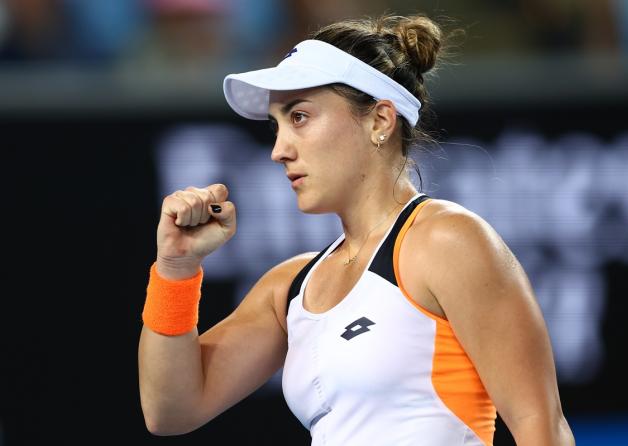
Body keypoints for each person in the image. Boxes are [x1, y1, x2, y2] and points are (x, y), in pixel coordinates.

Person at [138, 13, 575, 446]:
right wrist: (175, 270)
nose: (278, 150)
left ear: (380, 121)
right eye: (277, 125)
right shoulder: (289, 287)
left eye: (300, 117)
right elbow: (170, 410)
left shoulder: (448, 242)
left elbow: (542, 428)